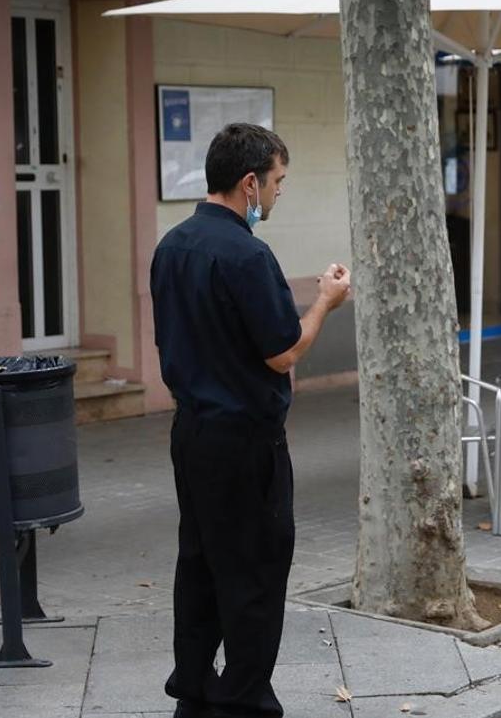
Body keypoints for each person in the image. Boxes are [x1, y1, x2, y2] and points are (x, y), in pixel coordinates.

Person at [150, 123, 351, 718]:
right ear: (248, 182)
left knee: (201, 563)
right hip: (245, 441)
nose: (278, 193)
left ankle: (193, 688)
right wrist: (325, 302)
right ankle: (243, 700)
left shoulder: (172, 246)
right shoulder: (247, 253)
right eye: (277, 181)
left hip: (192, 434)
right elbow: (283, 351)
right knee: (256, 574)